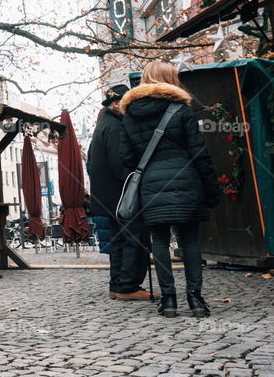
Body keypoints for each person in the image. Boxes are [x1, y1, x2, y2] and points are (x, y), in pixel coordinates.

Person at [118, 61, 220, 318]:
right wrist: (211, 189)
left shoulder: (130, 114)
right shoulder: (182, 110)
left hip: (152, 184)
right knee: (191, 242)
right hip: (186, 181)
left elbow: (125, 157)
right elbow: (199, 153)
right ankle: (196, 300)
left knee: (159, 241)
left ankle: (169, 300)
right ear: (170, 79)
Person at [87, 84, 154, 301]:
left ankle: (117, 285)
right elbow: (120, 165)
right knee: (134, 238)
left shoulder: (104, 125)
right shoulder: (115, 127)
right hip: (121, 195)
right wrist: (136, 184)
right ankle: (128, 286)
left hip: (110, 197)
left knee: (119, 240)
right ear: (117, 104)